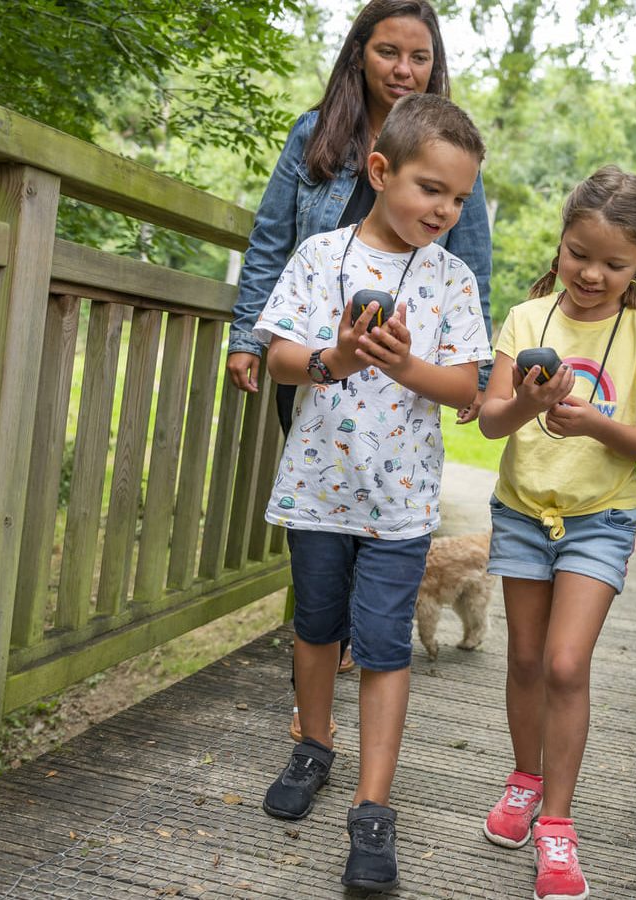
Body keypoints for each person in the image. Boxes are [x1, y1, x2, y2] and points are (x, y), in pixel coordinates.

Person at [225, 0, 494, 744]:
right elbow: (273, 236)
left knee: (374, 522)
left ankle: (349, 649)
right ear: (360, 56)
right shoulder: (315, 135)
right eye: (389, 53)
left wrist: (477, 369)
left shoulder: (448, 148)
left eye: (420, 56)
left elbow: (472, 262)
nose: (405, 69)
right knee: (321, 520)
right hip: (320, 348)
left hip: (406, 378)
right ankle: (320, 665)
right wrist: (252, 335)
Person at [252, 92, 490, 892]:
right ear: (381, 171)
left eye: (458, 198)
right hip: (319, 489)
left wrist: (398, 364)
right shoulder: (321, 257)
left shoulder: (453, 278)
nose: (446, 209)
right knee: (317, 624)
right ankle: (312, 744)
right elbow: (283, 353)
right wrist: (338, 360)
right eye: (431, 189)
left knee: (384, 642)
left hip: (401, 504)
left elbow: (466, 382)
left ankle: (373, 804)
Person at [476, 167, 636, 900]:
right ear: (560, 244)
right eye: (578, 254)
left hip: (601, 520)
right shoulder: (525, 320)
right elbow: (491, 418)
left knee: (567, 664)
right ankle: (524, 778)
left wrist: (594, 420)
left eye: (615, 264)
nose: (592, 274)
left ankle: (557, 825)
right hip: (523, 510)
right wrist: (527, 404)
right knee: (526, 659)